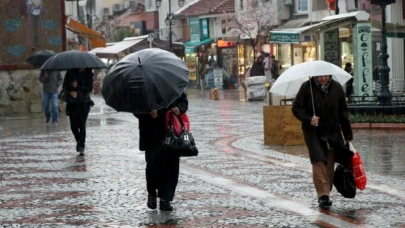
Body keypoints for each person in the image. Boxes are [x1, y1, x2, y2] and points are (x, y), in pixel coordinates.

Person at [292, 75, 353, 208]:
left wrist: (347, 134)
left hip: (332, 130)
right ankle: (323, 195)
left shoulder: (337, 88)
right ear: (315, 76)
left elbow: (343, 112)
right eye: (321, 76)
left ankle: (327, 190)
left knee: (329, 160)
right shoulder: (306, 87)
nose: (324, 79)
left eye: (326, 76)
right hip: (313, 131)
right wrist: (309, 119)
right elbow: (295, 108)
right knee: (318, 160)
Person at [134, 92, 188, 211]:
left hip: (171, 132)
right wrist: (148, 112)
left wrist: (179, 109)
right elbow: (136, 108)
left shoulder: (173, 85)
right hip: (151, 135)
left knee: (172, 167)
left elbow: (184, 102)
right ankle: (152, 194)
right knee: (153, 166)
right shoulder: (143, 87)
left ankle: (166, 199)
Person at [63, 68, 94, 156]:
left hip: (84, 103)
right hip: (72, 103)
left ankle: (81, 146)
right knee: (73, 126)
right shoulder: (70, 72)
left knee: (81, 125)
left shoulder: (88, 74)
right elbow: (65, 87)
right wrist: (71, 91)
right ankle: (79, 141)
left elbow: (89, 88)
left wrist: (78, 87)